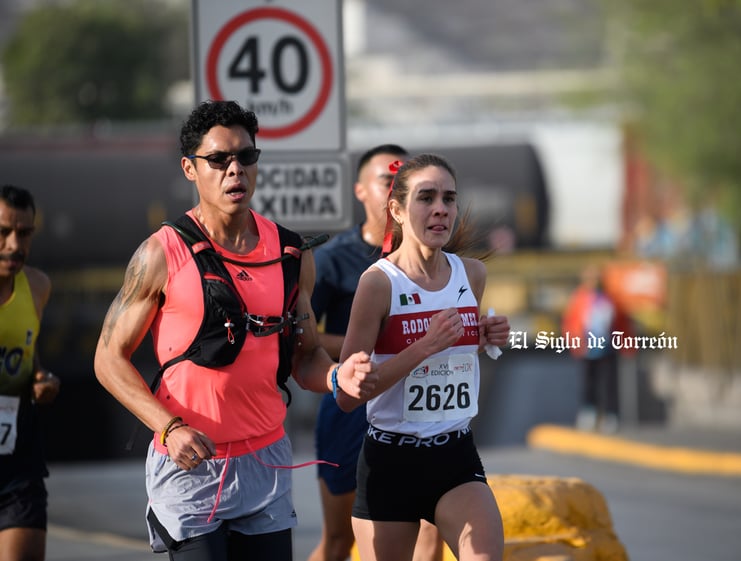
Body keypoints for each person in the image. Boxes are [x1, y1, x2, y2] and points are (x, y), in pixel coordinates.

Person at [93, 100, 376, 561]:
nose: (234, 170)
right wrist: (168, 428)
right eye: (218, 159)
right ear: (190, 168)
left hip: (264, 464)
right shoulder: (161, 253)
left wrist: (335, 377)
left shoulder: (291, 253)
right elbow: (107, 359)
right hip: (190, 465)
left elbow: (305, 357)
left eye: (246, 157)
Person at [334, 153, 510, 561]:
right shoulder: (379, 283)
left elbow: (455, 358)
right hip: (390, 462)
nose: (440, 209)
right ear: (396, 209)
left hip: (455, 456)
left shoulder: (472, 274)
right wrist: (423, 347)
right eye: (426, 197)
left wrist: (484, 337)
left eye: (449, 199)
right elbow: (347, 396)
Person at [308, 145, 442, 561]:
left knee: (428, 537)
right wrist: (367, 350)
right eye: (386, 180)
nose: (392, 191)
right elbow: (302, 336)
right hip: (354, 408)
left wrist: (485, 331)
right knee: (339, 541)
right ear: (361, 191)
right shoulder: (332, 259)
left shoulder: (434, 257)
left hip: (417, 409)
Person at [0, 185, 61, 561]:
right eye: (3, 232)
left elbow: (28, 358)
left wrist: (44, 381)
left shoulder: (37, 287)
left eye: (24, 233)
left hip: (17, 465)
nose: (13, 244)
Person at [562, 264, 633, 433]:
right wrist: (574, 342)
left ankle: (611, 415)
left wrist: (627, 344)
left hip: (608, 347)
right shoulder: (579, 298)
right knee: (588, 382)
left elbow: (622, 323)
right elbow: (571, 322)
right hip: (587, 348)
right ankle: (589, 412)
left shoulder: (610, 298)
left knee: (609, 383)